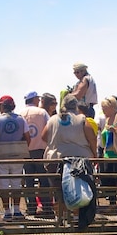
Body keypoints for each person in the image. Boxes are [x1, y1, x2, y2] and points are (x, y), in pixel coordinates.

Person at [41, 94, 98, 223]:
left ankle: (60, 217)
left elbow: (44, 136)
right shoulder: (82, 119)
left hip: (55, 159)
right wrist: (94, 155)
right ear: (76, 106)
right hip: (80, 160)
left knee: (58, 189)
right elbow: (92, 138)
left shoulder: (53, 119)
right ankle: (76, 217)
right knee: (78, 188)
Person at [0, 95, 30, 220]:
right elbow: (28, 138)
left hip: (1, 157)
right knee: (17, 183)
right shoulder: (21, 119)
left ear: (2, 106)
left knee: (3, 184)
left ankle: (7, 212)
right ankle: (17, 210)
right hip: (17, 156)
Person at [20, 91, 51, 216]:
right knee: (44, 180)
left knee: (29, 180)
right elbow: (49, 127)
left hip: (25, 151)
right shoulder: (42, 112)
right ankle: (47, 208)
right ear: (36, 99)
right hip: (40, 150)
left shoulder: (20, 114)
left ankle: (31, 207)